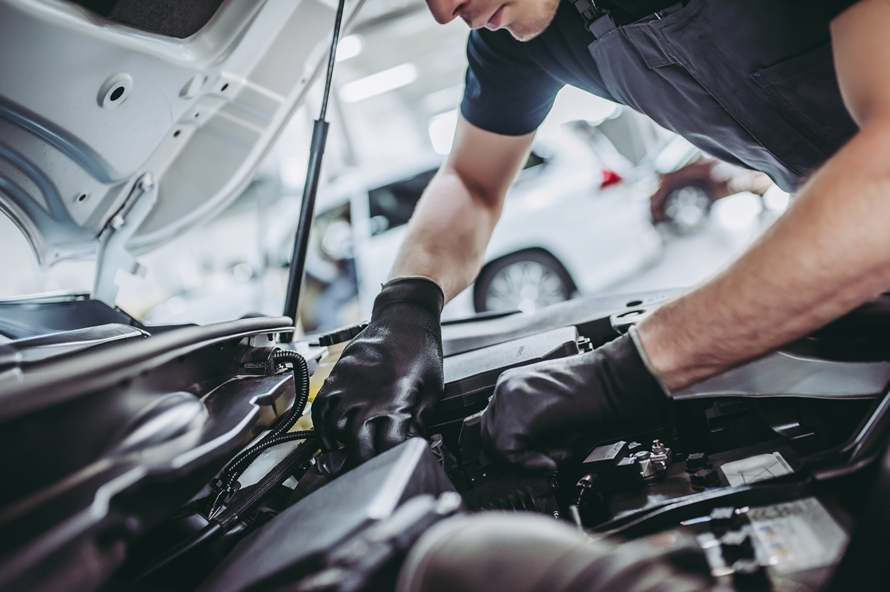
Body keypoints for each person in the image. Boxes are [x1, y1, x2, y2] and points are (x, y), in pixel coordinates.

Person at [312, 0, 890, 473]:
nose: (442, 11)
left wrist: (628, 373)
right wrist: (406, 305)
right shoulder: (520, 36)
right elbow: (471, 180)